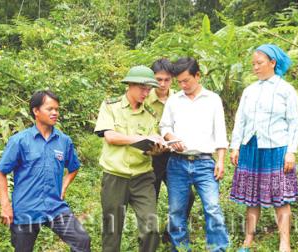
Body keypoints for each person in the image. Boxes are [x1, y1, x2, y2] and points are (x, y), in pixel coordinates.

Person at [0, 90, 91, 252]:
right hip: (26, 208)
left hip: (55, 207)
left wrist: (64, 186)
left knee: (82, 240)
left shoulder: (64, 141)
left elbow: (74, 168)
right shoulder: (19, 141)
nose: (55, 113)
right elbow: (1, 172)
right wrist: (5, 205)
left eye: (57, 109)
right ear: (36, 111)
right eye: (50, 109)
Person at [230, 44, 298, 252]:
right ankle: (248, 239)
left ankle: (284, 242)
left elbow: (294, 123)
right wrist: (235, 146)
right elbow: (240, 120)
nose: (255, 67)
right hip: (251, 147)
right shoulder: (249, 91)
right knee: (252, 198)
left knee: (281, 197)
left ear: (273, 63)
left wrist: (291, 151)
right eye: (253, 64)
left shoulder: (286, 90)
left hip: (276, 148)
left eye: (259, 63)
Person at [94, 65, 167, 252]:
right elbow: (110, 136)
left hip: (143, 177)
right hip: (115, 176)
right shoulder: (110, 107)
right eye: (143, 88)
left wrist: (156, 149)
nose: (146, 92)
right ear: (130, 85)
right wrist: (141, 139)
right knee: (112, 230)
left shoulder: (150, 114)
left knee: (151, 228)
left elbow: (149, 145)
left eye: (149, 89)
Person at [160, 57, 229, 252]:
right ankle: (181, 248)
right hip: (177, 163)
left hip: (204, 162)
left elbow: (220, 133)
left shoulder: (213, 100)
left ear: (197, 76)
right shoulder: (174, 100)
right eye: (179, 82)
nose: (183, 85)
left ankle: (217, 249)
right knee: (176, 211)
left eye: (186, 80)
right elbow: (164, 126)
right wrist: (172, 136)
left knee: (213, 208)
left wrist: (221, 161)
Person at [145, 58, 195, 243]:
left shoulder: (180, 98)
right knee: (151, 197)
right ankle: (149, 238)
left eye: (167, 79)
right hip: (151, 156)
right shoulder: (145, 98)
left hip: (174, 155)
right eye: (159, 79)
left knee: (187, 196)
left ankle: (170, 232)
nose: (163, 84)